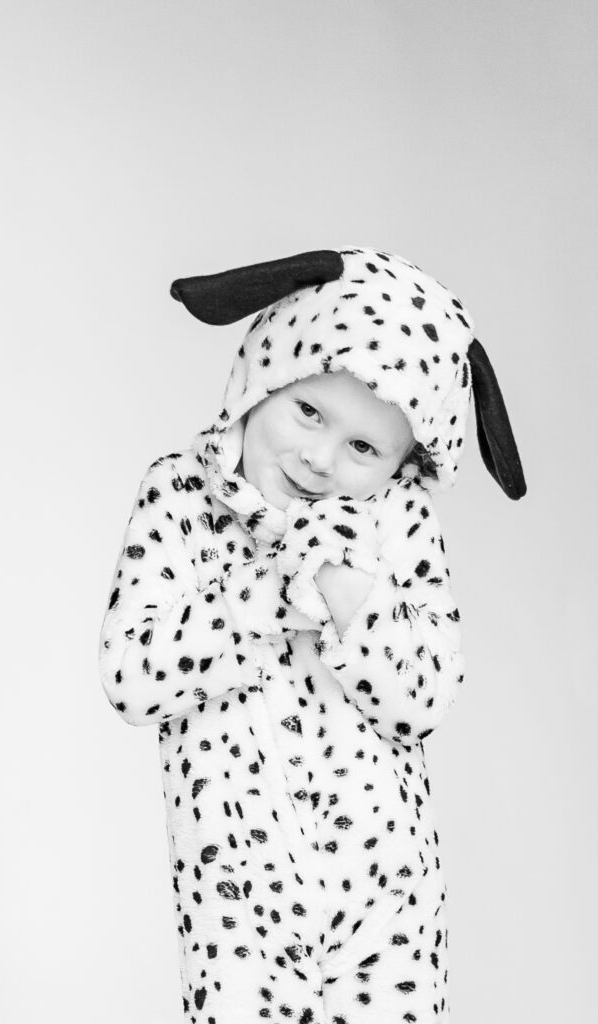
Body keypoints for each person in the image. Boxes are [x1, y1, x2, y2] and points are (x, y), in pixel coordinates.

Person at [98, 246, 526, 1023]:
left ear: (402, 463)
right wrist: (265, 597)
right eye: (308, 411)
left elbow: (425, 698)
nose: (320, 458)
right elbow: (132, 676)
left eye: (363, 448)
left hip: (386, 894)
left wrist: (351, 598)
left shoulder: (397, 523)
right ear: (265, 376)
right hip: (236, 892)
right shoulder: (180, 494)